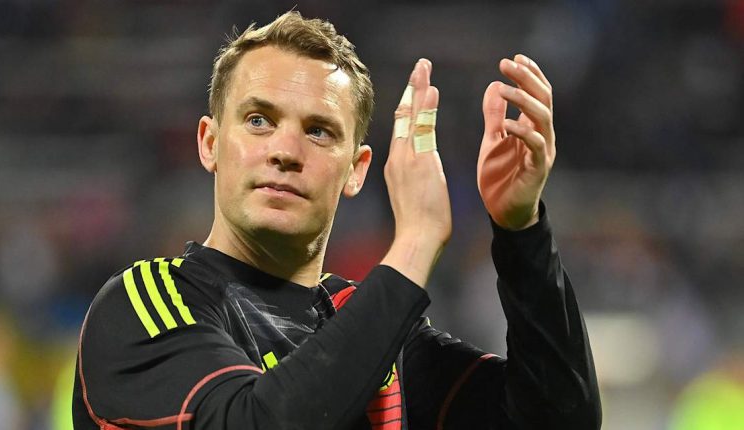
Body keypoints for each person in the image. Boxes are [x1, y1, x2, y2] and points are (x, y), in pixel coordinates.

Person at [72, 11, 601, 430]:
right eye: (259, 120)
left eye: (319, 131)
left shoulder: (380, 339)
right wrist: (415, 241)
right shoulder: (143, 304)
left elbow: (559, 419)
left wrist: (520, 229)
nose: (286, 151)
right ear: (210, 143)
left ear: (357, 170)